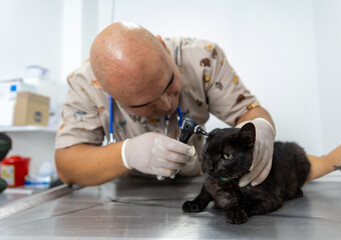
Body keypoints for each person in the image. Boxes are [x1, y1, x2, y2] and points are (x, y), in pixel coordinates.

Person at [55, 22, 275, 186]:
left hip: (196, 182)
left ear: (165, 49)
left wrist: (261, 127)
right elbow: (66, 166)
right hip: (129, 193)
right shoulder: (85, 85)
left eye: (169, 83)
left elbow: (248, 111)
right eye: (145, 103)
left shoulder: (204, 58)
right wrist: (127, 154)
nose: (167, 103)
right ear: (105, 91)